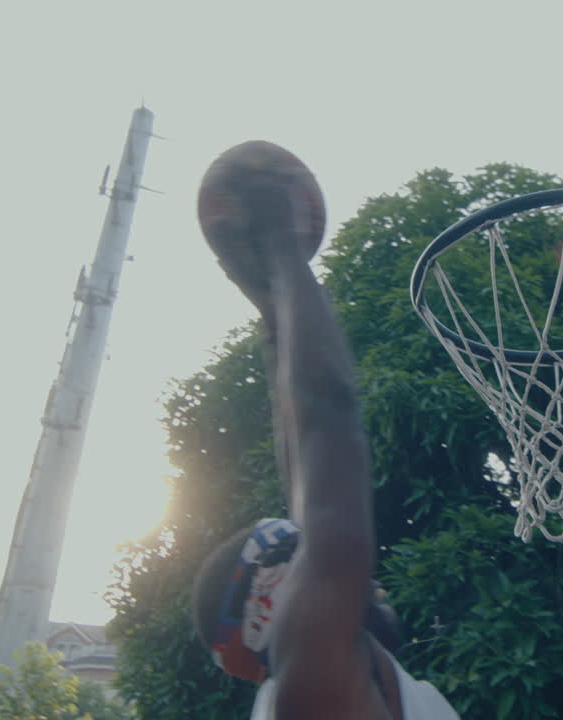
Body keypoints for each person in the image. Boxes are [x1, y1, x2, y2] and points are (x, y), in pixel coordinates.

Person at [190, 141, 460, 720]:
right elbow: (329, 416)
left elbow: (306, 484)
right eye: (307, 555)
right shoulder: (312, 683)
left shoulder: (320, 683)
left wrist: (273, 319)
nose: (376, 584)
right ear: (277, 602)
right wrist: (283, 248)